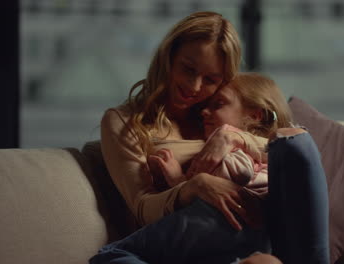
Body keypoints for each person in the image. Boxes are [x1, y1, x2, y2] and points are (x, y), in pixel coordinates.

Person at [90, 11, 329, 264]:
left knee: (299, 143)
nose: (194, 87)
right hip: (189, 237)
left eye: (210, 79)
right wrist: (195, 185)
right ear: (168, 57)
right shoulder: (124, 121)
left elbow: (287, 152)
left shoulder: (220, 116)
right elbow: (141, 206)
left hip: (256, 234)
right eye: (187, 69)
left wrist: (234, 138)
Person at [147, 73, 292, 193]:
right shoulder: (268, 157)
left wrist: (179, 180)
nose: (203, 112)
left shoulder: (235, 155)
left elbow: (209, 193)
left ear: (255, 116)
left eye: (218, 104)